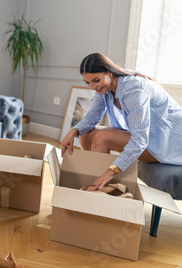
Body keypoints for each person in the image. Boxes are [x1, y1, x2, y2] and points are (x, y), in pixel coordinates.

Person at [60, 53, 182, 191]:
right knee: (85, 134)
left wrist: (111, 171)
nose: (92, 86)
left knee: (102, 137)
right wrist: (73, 131)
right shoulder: (104, 87)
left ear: (109, 72)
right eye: (88, 82)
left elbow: (140, 140)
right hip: (148, 136)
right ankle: (94, 182)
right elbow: (93, 116)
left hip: (167, 145)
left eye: (96, 80)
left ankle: (101, 188)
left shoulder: (133, 89)